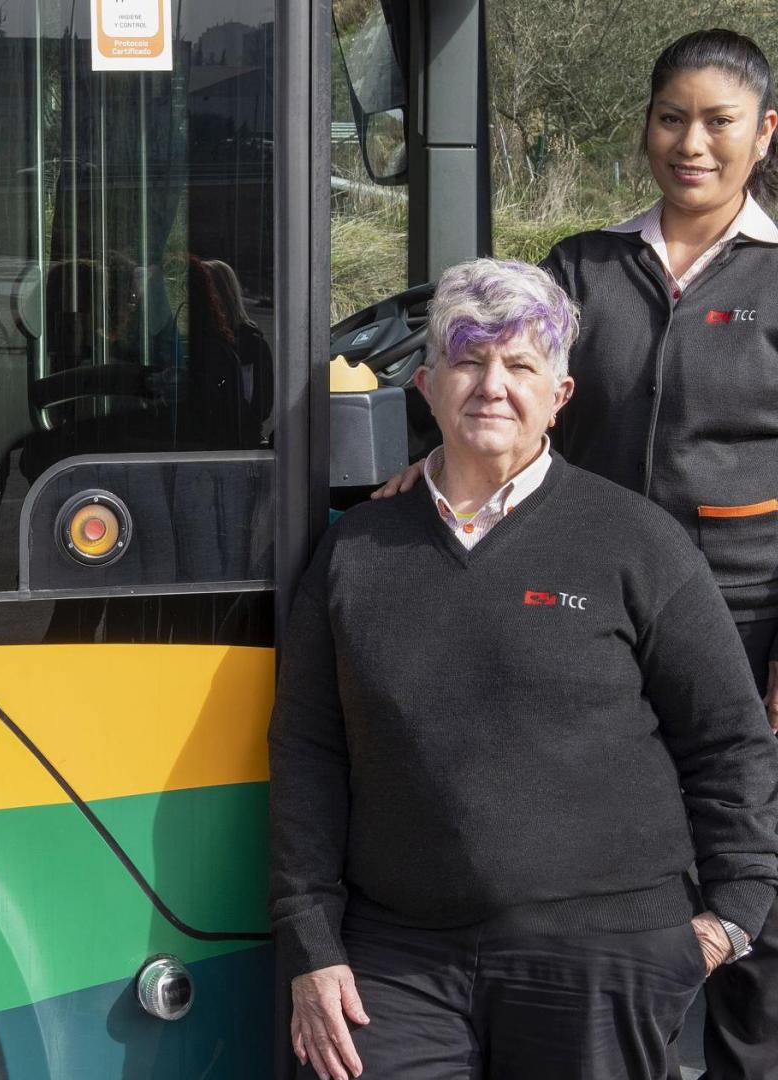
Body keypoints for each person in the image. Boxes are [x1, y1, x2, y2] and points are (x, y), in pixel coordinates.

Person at [373, 31, 778, 1075]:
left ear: (764, 134)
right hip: (581, 609)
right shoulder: (584, 267)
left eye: (720, 121)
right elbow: (498, 381)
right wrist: (421, 472)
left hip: (745, 619)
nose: (692, 143)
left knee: (750, 875)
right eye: (672, 118)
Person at [274, 258, 778, 1080]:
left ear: (560, 396)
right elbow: (306, 755)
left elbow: (731, 741)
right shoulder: (356, 553)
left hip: (604, 954)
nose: (491, 386)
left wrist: (732, 917)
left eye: (520, 365)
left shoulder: (638, 544)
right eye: (469, 360)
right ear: (428, 385)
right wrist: (310, 944)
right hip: (398, 959)